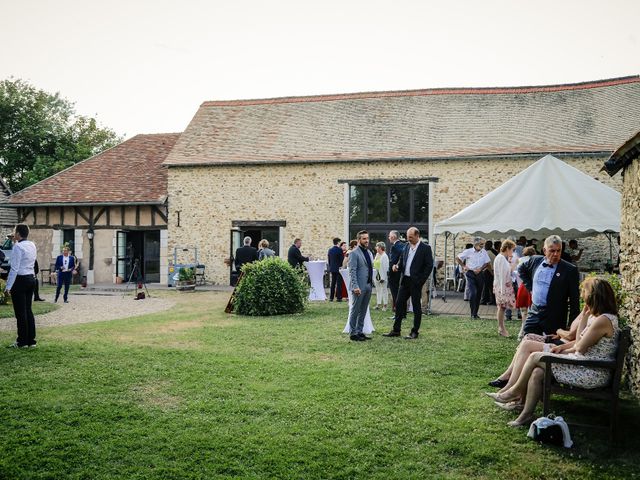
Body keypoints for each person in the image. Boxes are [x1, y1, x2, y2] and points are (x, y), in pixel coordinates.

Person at [489, 277, 620, 427]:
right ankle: (525, 414)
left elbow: (580, 347)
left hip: (591, 372)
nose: (582, 294)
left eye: (584, 291)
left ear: (593, 296)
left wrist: (583, 318)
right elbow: (580, 345)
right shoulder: (599, 317)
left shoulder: (602, 320)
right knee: (537, 372)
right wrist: (566, 346)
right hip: (583, 364)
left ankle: (514, 391)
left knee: (535, 356)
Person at [518, 235, 580, 336]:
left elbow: (574, 300)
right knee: (527, 341)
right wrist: (530, 287)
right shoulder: (535, 261)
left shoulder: (569, 270)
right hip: (534, 312)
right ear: (544, 250)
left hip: (554, 316)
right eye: (552, 251)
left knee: (550, 348)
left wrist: (571, 325)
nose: (556, 254)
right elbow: (521, 269)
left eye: (559, 251)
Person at [383, 227, 434, 340]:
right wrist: (397, 266)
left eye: (411, 237)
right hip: (405, 280)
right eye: (407, 237)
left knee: (416, 307)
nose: (408, 239)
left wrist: (421, 280)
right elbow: (402, 259)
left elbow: (429, 265)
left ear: (417, 236)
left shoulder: (425, 248)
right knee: (399, 304)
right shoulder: (406, 246)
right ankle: (396, 330)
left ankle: (414, 331)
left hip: (416, 282)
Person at [5, 224, 38, 348]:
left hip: (20, 280)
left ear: (18, 233)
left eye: (15, 232)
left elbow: (14, 268)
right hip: (31, 278)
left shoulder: (18, 247)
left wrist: (8, 287)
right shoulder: (32, 245)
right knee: (28, 310)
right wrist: (15, 243)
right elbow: (24, 258)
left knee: (20, 312)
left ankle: (22, 341)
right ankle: (31, 340)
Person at [347, 230, 374, 341]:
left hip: (368, 285)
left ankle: (360, 331)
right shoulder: (354, 253)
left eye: (367, 238)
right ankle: (353, 333)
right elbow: (352, 271)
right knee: (355, 310)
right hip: (358, 287)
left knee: (363, 310)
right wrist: (355, 286)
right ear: (358, 240)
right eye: (364, 238)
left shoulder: (369, 253)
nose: (367, 240)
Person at [456, 237, 491, 319]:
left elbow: (487, 262)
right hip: (470, 273)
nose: (483, 246)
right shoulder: (468, 251)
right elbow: (458, 258)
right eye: (481, 244)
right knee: (473, 293)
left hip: (480, 274)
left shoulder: (484, 252)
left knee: (479, 294)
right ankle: (472, 313)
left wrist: (480, 269)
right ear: (476, 244)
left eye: (483, 244)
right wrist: (463, 266)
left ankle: (475, 313)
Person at [493, 239, 516, 337]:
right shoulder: (501, 258)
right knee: (501, 307)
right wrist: (502, 291)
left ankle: (502, 328)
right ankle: (501, 328)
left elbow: (507, 271)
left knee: (502, 307)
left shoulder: (502, 258)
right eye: (512, 250)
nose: (512, 252)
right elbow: (502, 275)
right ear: (507, 248)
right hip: (502, 286)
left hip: (502, 285)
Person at [515, 246, 536, 336]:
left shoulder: (520, 260)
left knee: (524, 312)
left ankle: (522, 331)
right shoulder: (536, 261)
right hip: (532, 287)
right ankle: (526, 331)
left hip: (522, 287)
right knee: (531, 311)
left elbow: (517, 274)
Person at [387, 230, 405, 313]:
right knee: (401, 294)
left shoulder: (394, 247)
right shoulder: (404, 245)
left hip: (394, 274)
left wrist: (389, 274)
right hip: (402, 273)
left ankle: (397, 312)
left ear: (393, 237)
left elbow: (392, 262)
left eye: (390, 236)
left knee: (395, 294)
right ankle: (402, 312)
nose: (388, 237)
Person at [373, 242, 389, 310]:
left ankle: (385, 305)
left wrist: (383, 277)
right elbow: (374, 264)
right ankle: (378, 304)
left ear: (380, 248)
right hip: (376, 275)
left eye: (377, 247)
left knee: (384, 289)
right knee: (378, 290)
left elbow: (386, 268)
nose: (376, 248)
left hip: (382, 276)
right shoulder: (377, 254)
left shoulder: (384, 256)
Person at [327, 237, 344, 302]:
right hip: (338, 268)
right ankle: (339, 297)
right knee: (339, 283)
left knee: (333, 283)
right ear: (338, 242)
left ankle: (331, 297)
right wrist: (341, 266)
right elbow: (341, 260)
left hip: (332, 268)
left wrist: (331, 266)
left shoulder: (330, 250)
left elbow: (329, 260)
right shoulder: (339, 250)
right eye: (339, 242)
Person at [481, 240, 496, 305]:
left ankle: (484, 300)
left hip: (487, 271)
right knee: (491, 287)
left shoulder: (486, 253)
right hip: (491, 270)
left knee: (485, 287)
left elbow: (487, 264)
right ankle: (492, 300)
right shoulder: (493, 253)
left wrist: (490, 272)